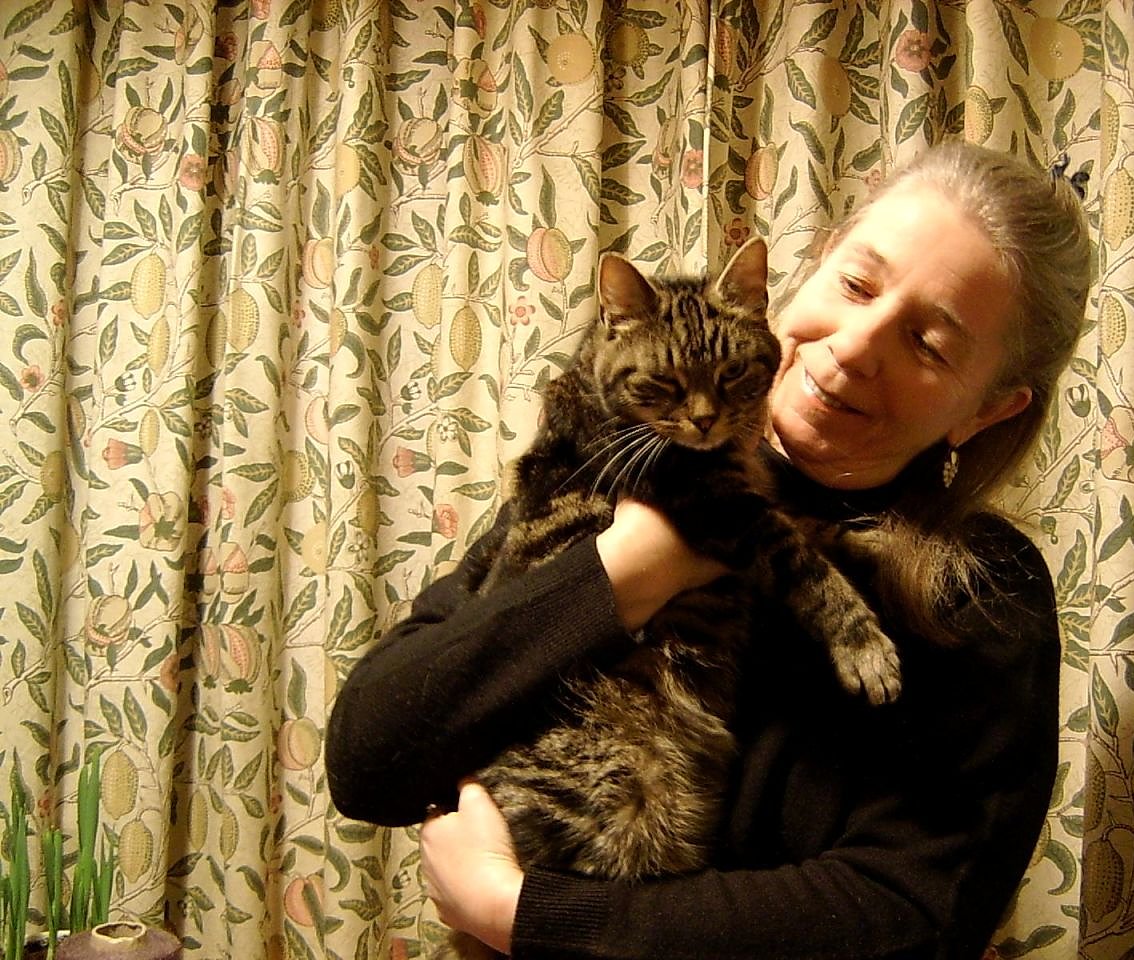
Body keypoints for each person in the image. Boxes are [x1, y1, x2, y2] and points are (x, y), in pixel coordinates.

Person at [324, 141, 1093, 960]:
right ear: (816, 264)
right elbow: (370, 758)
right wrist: (627, 569)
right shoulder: (601, 469)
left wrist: (520, 912)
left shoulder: (983, 588)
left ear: (987, 411)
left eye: (928, 343)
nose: (854, 346)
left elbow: (912, 913)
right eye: (857, 285)